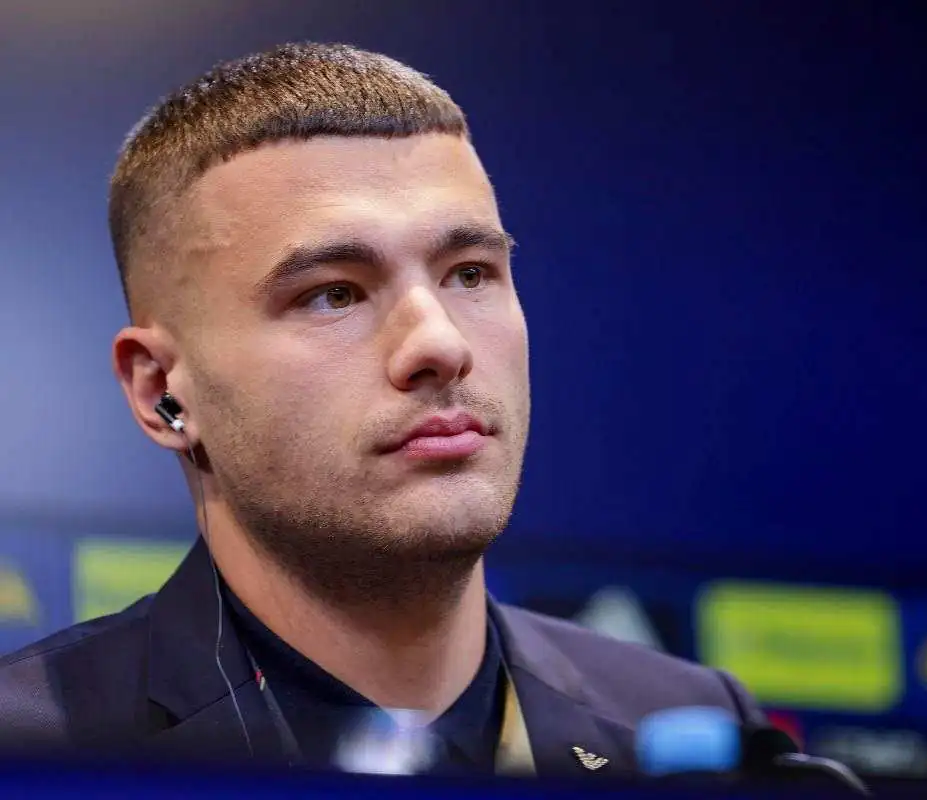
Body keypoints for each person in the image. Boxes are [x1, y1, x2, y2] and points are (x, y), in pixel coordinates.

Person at [0, 43, 764, 777]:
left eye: (470, 273)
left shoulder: (692, 730)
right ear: (160, 390)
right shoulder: (30, 750)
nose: (441, 344)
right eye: (333, 293)